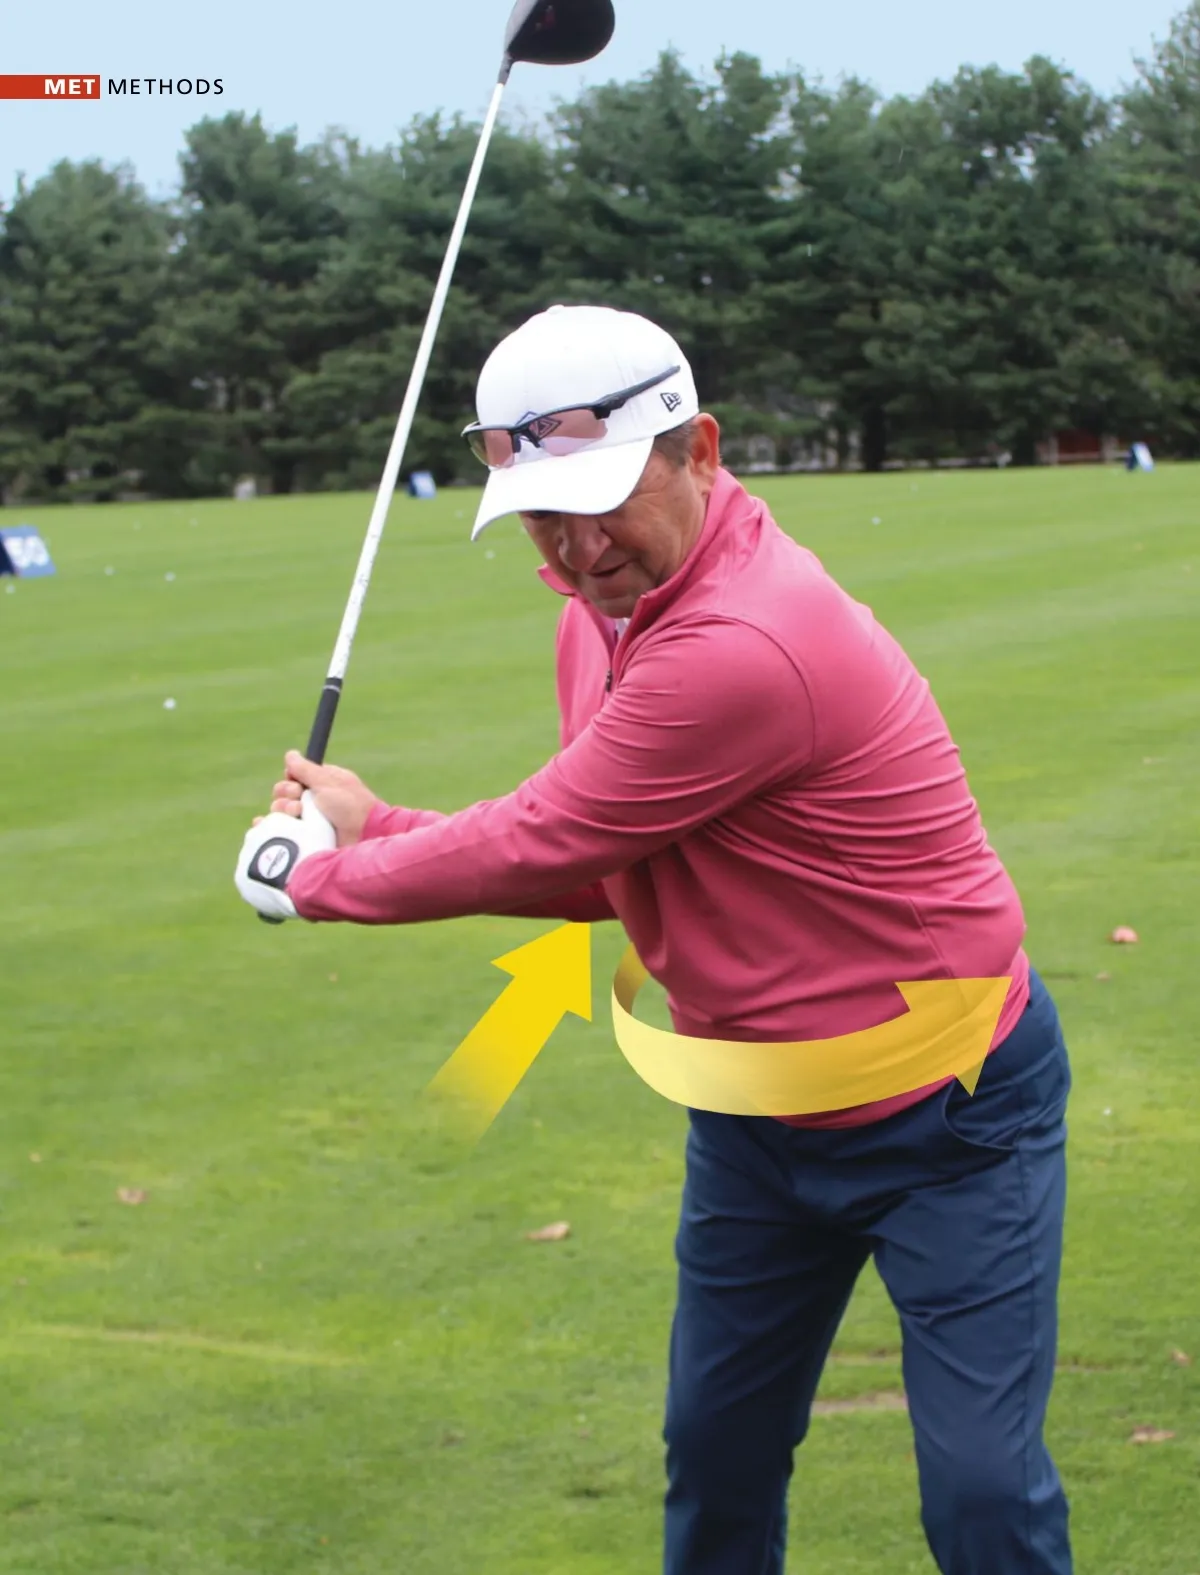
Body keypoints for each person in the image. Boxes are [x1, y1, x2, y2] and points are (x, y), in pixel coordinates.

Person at [235, 304, 1073, 1575]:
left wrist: (322, 880)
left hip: (946, 1114)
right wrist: (378, 827)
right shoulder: (601, 617)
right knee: (716, 1455)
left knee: (982, 1498)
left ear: (702, 453)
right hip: (753, 1118)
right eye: (542, 516)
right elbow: (604, 858)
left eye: (605, 501)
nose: (579, 550)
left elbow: (548, 840)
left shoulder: (745, 639)